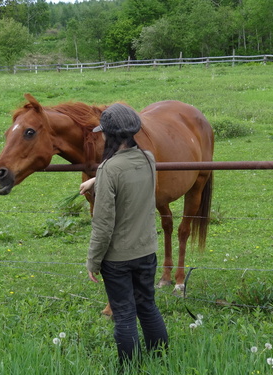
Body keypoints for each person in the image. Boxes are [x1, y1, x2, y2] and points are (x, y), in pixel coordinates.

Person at [82, 103, 168, 366]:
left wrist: (92, 261)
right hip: (146, 251)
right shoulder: (148, 159)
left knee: (125, 315)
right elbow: (126, 173)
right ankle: (161, 358)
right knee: (148, 307)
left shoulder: (110, 169)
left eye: (104, 133)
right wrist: (98, 178)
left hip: (118, 259)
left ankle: (130, 368)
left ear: (110, 135)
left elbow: (104, 223)